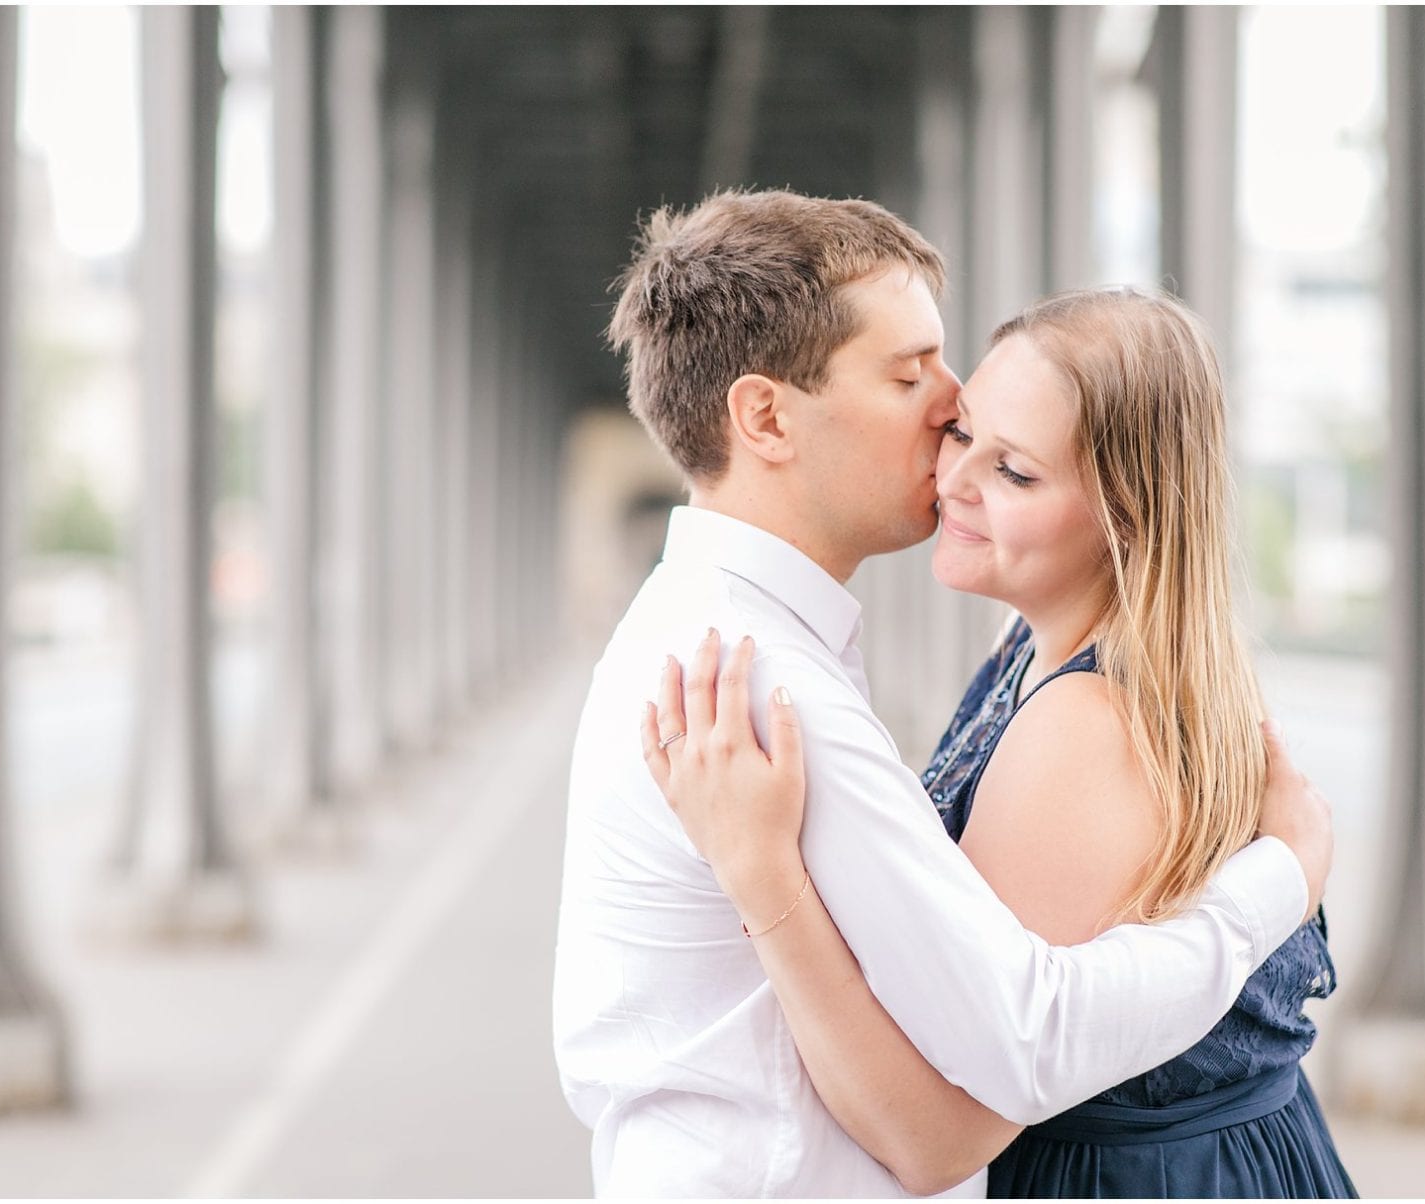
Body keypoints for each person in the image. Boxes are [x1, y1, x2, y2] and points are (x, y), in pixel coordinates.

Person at [552, 189, 1334, 1198]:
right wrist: (1277, 879)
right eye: (908, 372)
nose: (947, 403)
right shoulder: (762, 689)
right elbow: (1021, 1039)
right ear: (765, 417)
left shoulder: (731, 639)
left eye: (1008, 458)